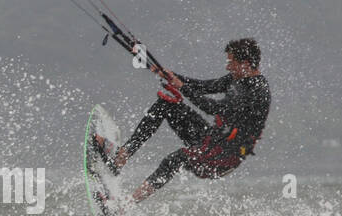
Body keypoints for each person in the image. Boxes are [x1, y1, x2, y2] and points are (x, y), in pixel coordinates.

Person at [93, 38, 271, 204]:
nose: (228, 67)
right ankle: (120, 158)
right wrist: (172, 76)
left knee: (176, 158)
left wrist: (183, 87)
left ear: (246, 64)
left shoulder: (256, 91)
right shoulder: (238, 78)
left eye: (231, 62)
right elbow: (206, 86)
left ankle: (125, 205)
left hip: (223, 157)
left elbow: (213, 108)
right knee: (166, 104)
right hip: (211, 139)